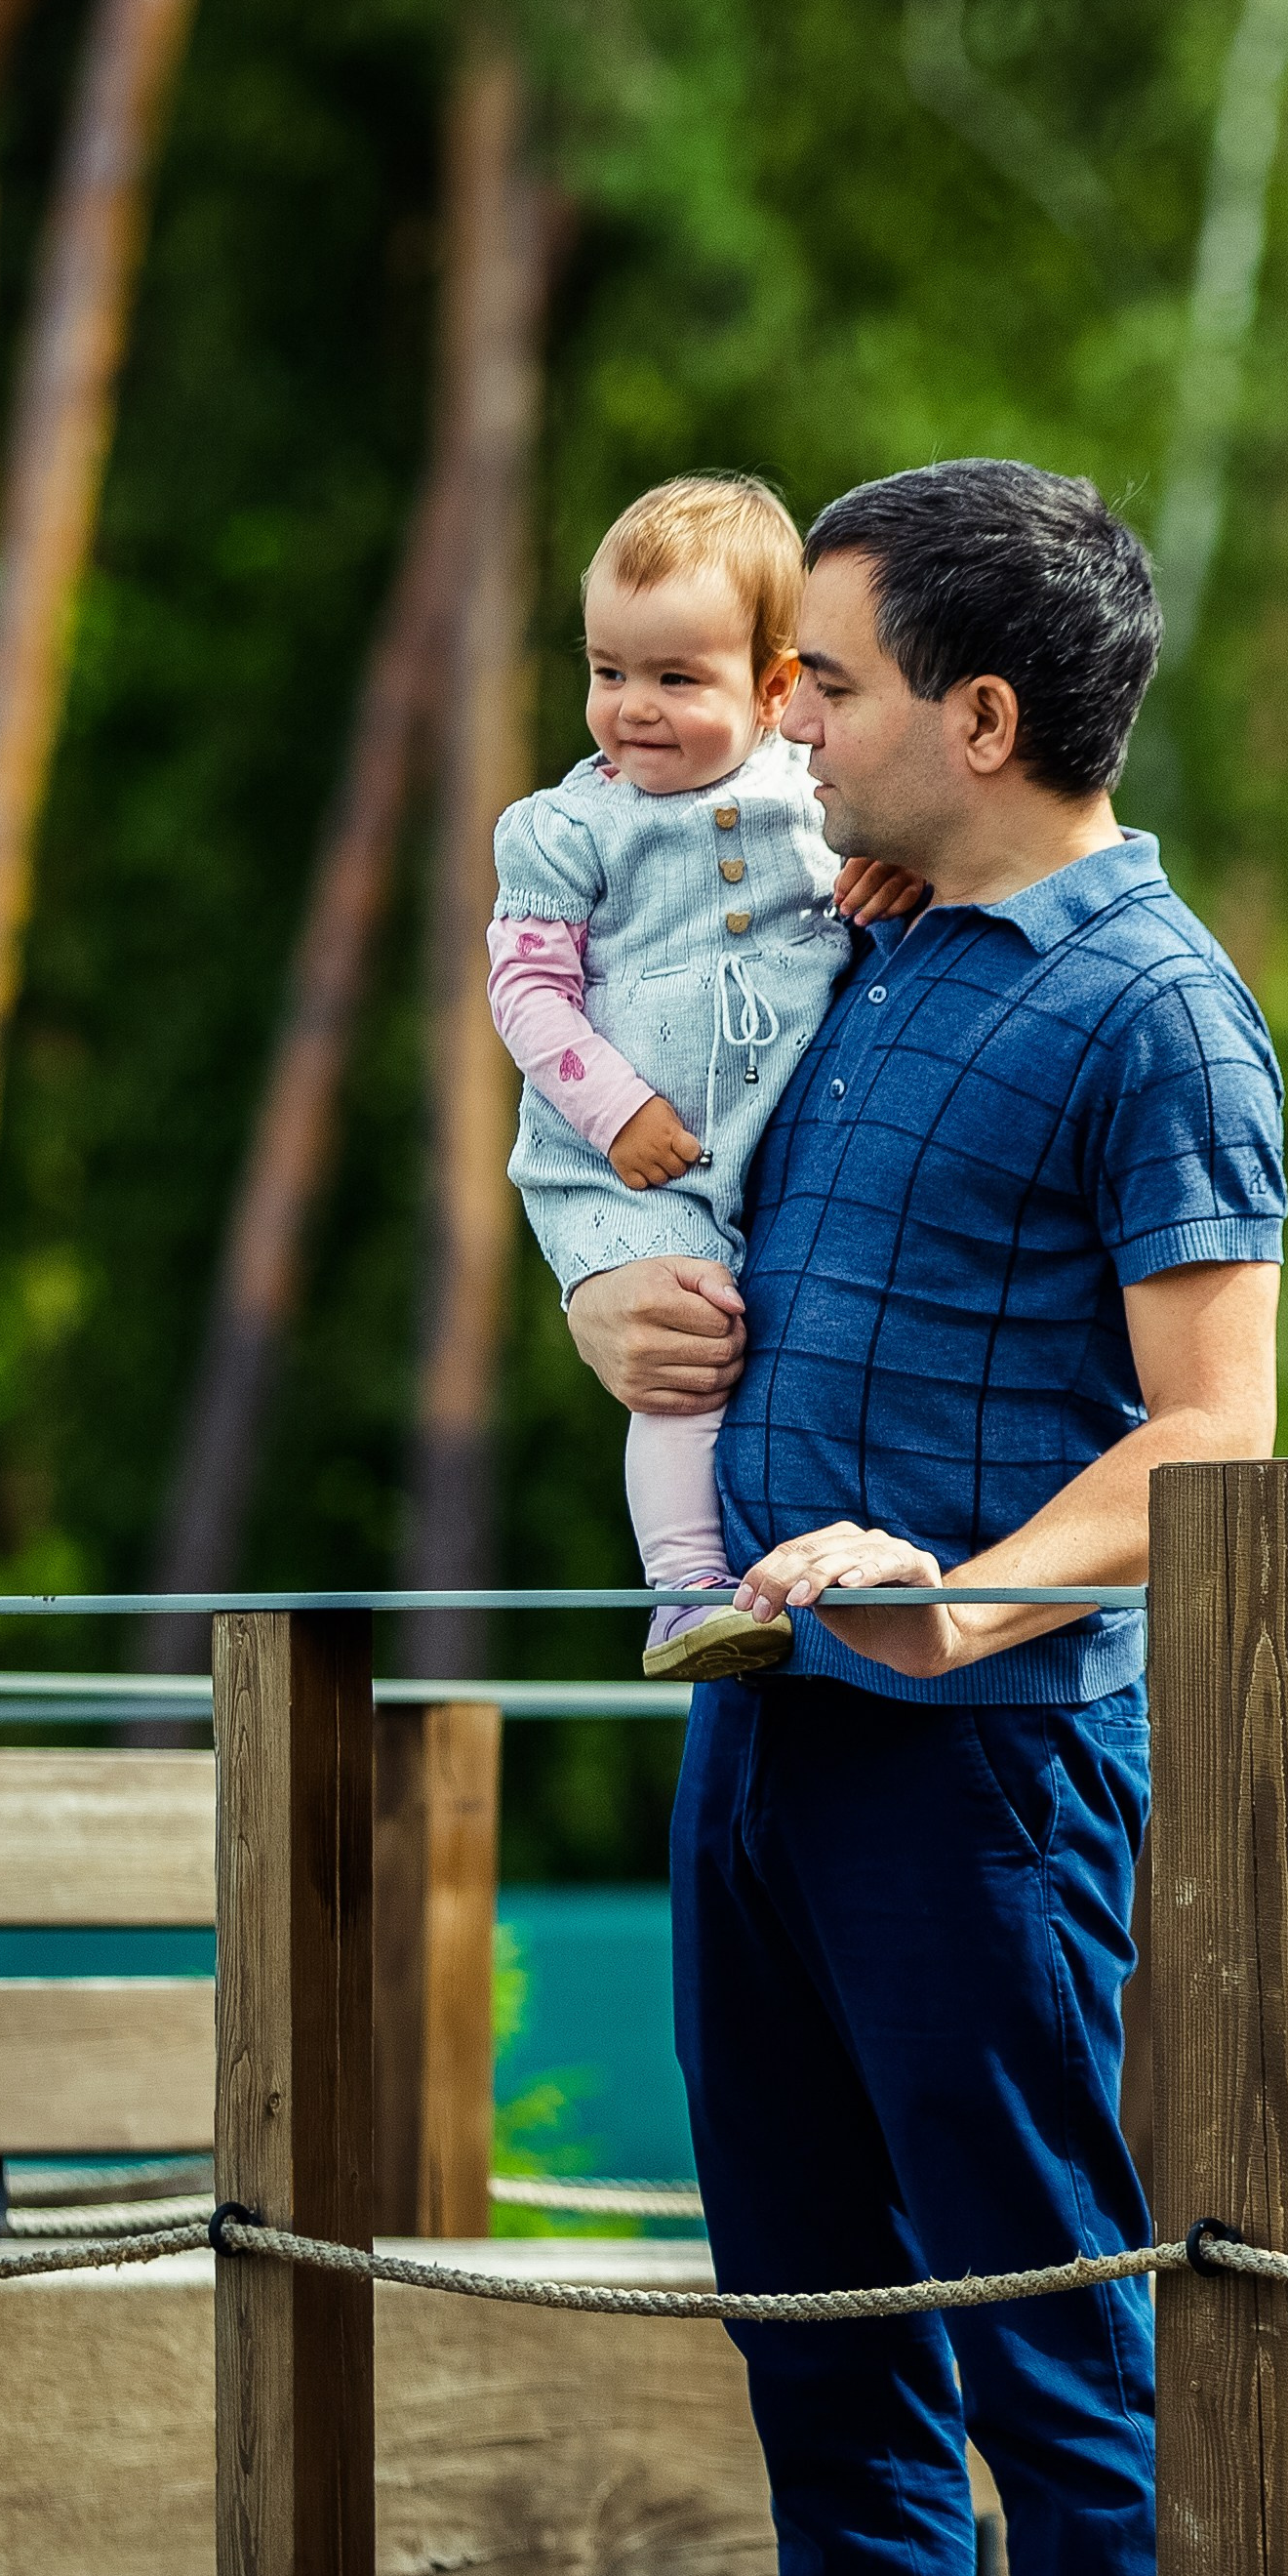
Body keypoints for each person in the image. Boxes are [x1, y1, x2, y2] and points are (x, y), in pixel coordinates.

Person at [555, 460, 1284, 2576]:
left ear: (980, 719)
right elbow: (668, 1182)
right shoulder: (859, 941)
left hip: (980, 1779)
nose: (781, 721)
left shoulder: (1159, 1007)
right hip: (759, 1736)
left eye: (828, 681)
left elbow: (1220, 1438)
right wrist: (629, 1331)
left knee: (1046, 2356)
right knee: (825, 2354)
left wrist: (969, 1595)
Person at [486, 471, 914, 1681]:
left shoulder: (811, 798)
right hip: (620, 1164)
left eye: (678, 679)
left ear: (779, 687)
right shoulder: (565, 829)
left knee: (758, 1334)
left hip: (771, 1136)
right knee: (683, 1362)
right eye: (609, 671)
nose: (632, 710)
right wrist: (617, 1114)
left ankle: (786, 1569)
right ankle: (684, 1592)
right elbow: (526, 992)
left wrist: (890, 875)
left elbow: (870, 892)